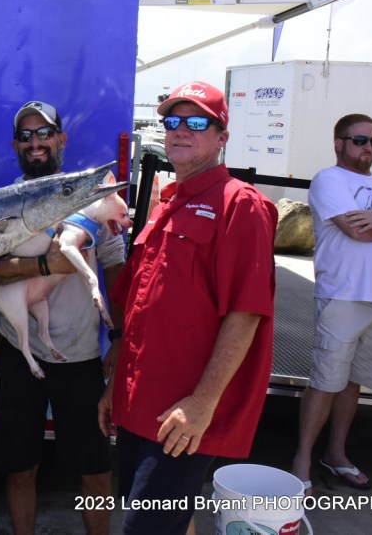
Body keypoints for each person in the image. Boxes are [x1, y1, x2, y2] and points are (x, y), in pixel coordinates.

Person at [98, 81, 277, 535]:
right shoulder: (166, 204)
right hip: (139, 405)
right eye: (172, 121)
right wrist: (116, 387)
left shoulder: (241, 205)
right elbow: (140, 308)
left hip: (183, 415)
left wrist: (202, 403)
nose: (180, 130)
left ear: (222, 137)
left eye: (197, 122)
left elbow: (246, 314)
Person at [0, 100, 121, 535]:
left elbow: (117, 271)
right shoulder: (4, 203)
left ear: (61, 139)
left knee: (96, 472)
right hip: (18, 357)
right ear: (15, 146)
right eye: (26, 136)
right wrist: (44, 266)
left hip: (81, 359)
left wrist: (121, 339)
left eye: (44, 133)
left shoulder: (92, 195)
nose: (35, 142)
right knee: (20, 469)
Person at [290, 114, 372, 493]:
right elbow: (355, 231)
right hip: (343, 294)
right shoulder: (329, 179)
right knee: (325, 380)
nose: (368, 148)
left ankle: (336, 454)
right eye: (360, 140)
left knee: (352, 382)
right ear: (339, 143)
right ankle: (301, 460)